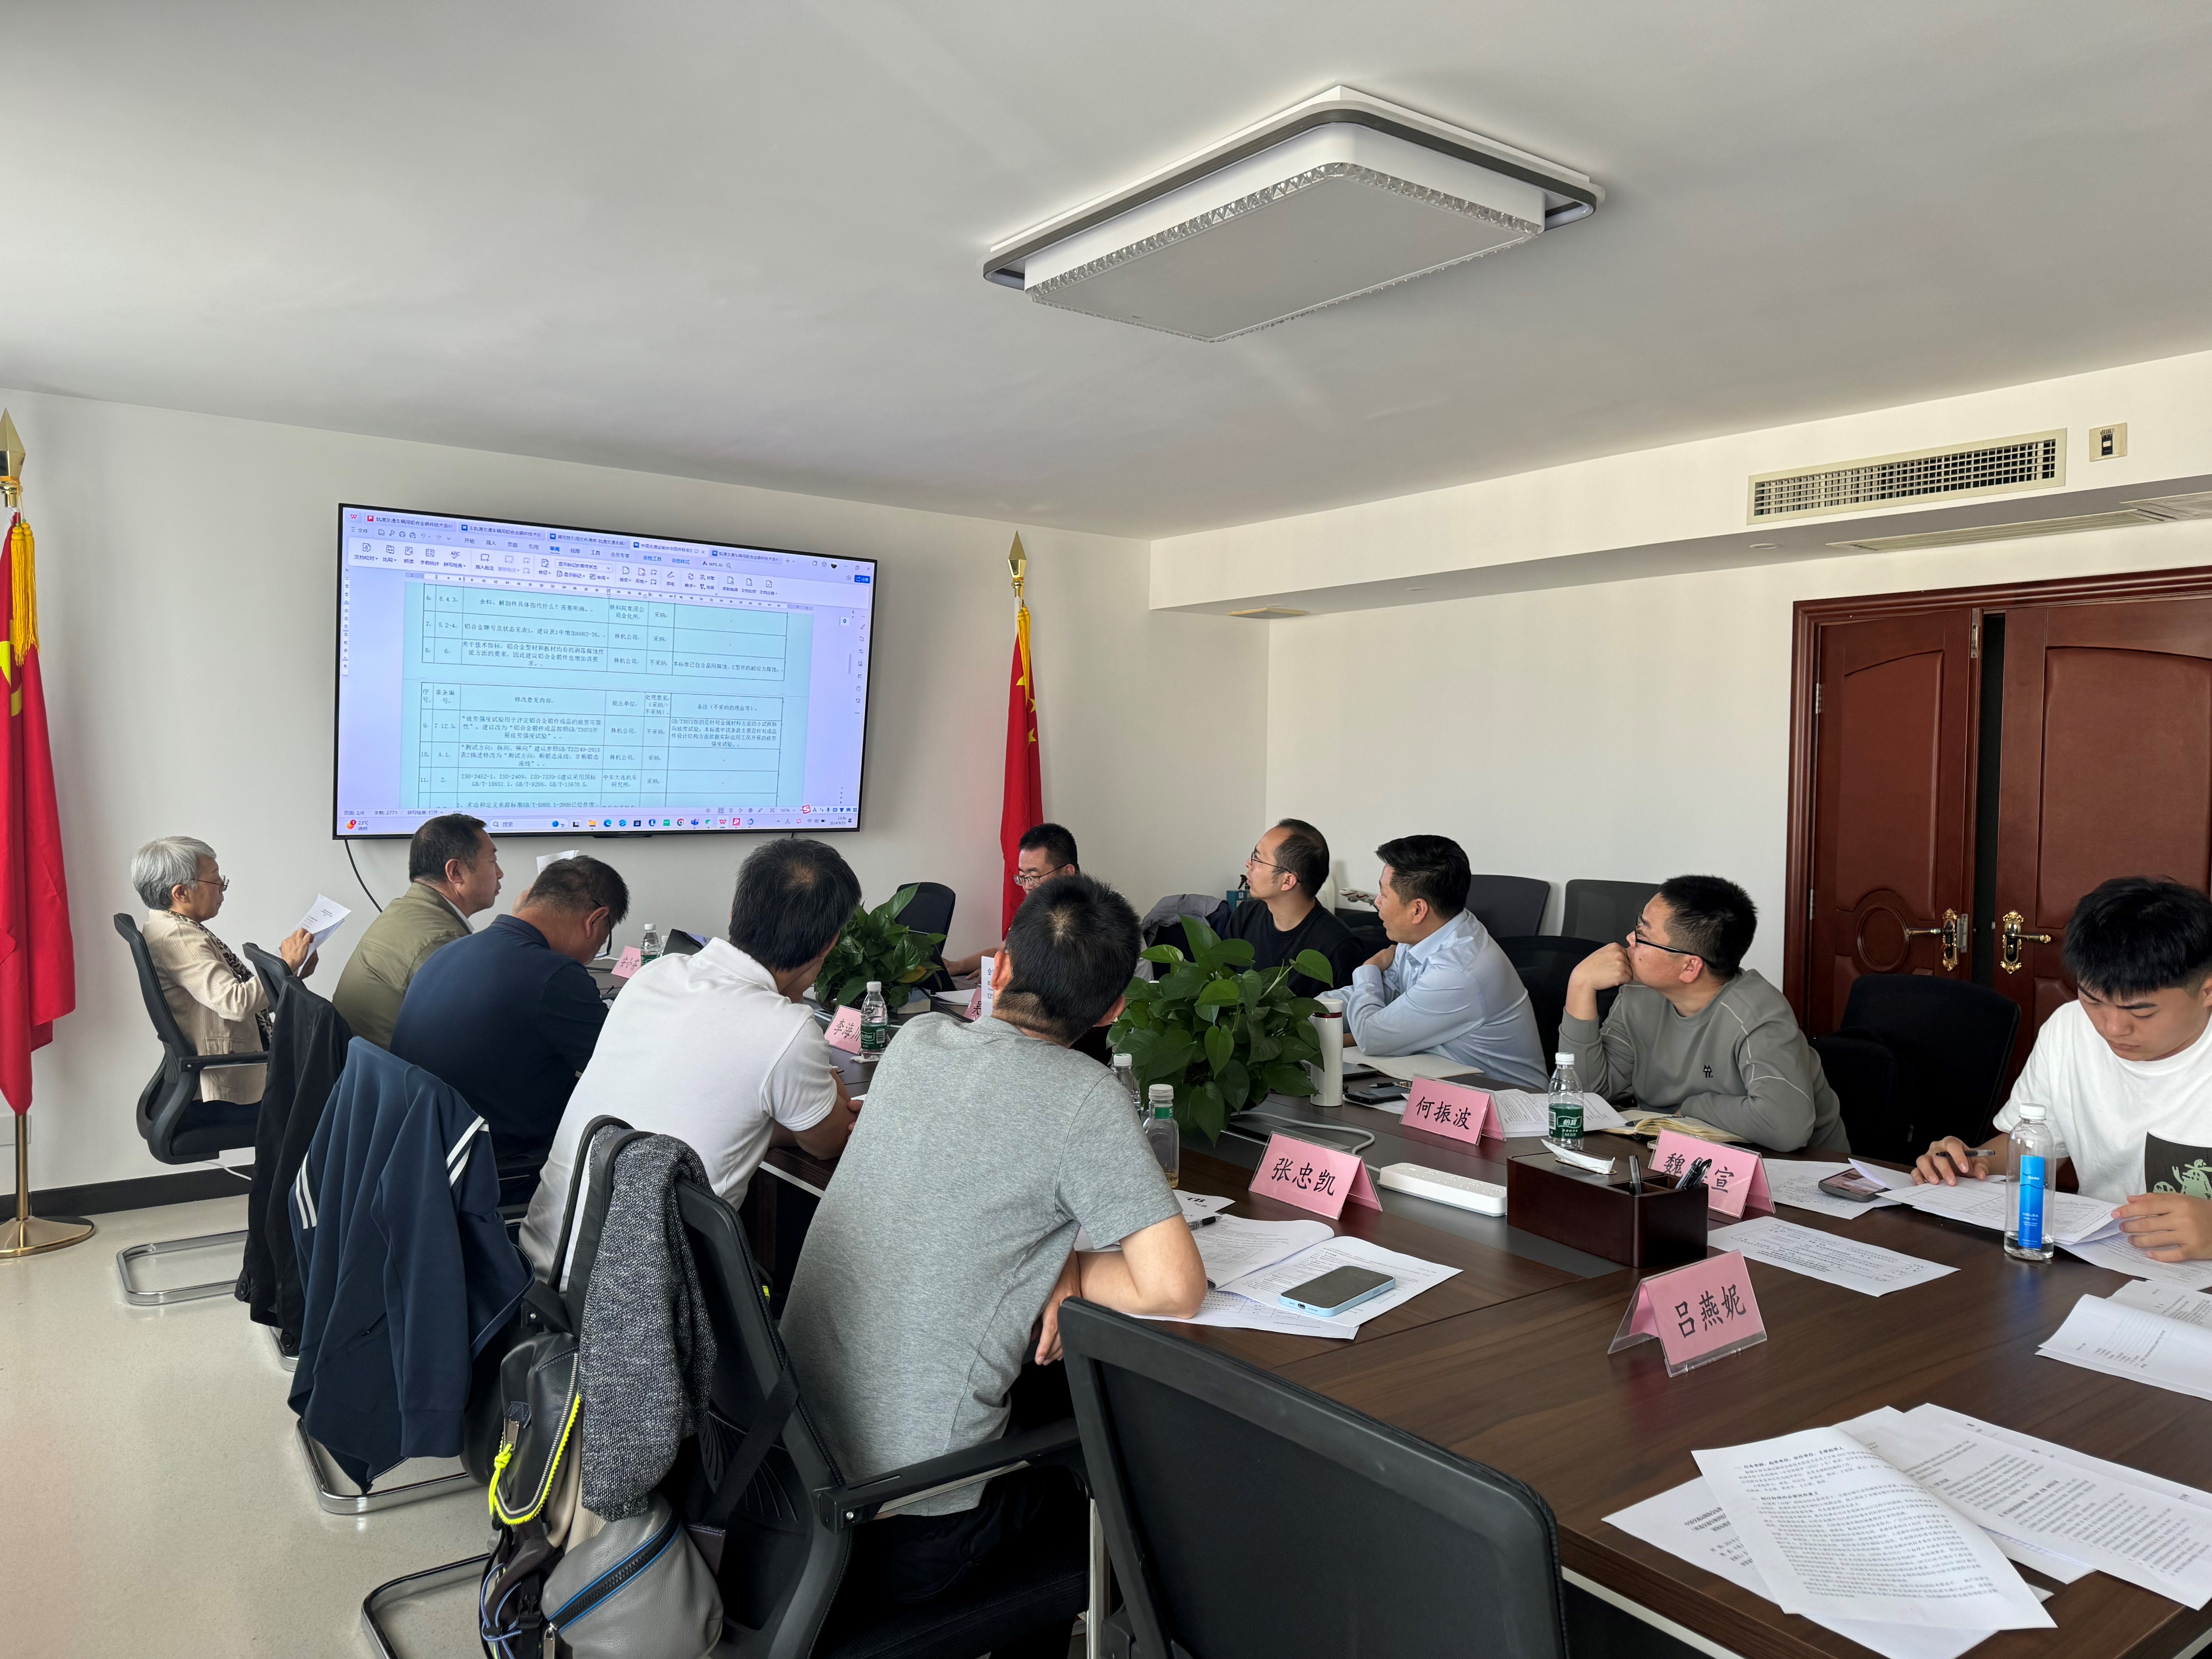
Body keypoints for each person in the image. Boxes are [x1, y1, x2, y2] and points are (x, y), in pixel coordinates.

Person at [780, 874, 1205, 1653]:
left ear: (1000, 965)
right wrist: (1065, 1267)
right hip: (913, 1528)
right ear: (1113, 1011)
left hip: (791, 1490)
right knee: (1124, 1498)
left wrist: (1055, 1261)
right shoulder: (1085, 1097)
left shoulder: (915, 1043)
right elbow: (1175, 1288)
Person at [519, 838, 864, 1279]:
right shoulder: (786, 1029)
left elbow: (700, 1111)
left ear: (736, 911)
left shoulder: (655, 975)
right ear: (829, 943)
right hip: (640, 1307)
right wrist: (819, 1077)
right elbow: (827, 1141)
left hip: (538, 1270)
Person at [1914, 876, 2212, 1261]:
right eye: (2093, 1001)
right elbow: (2039, 1148)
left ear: (2207, 991)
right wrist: (1969, 1161)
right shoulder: (2069, 1028)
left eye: (2141, 1012)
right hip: (2104, 1258)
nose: (2112, 1028)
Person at [1564, 876, 1847, 1153]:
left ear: (1690, 967)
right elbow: (1585, 1095)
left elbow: (1785, 1128)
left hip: (1799, 1169)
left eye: (1643, 934)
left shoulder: (1757, 1014)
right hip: (1682, 1157)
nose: (1630, 939)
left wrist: (1694, 1108)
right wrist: (1580, 985)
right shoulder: (1640, 993)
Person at [389, 855, 626, 1168]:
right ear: (595, 920)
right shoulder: (555, 974)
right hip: (498, 1160)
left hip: (427, 1149)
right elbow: (619, 1068)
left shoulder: (451, 950)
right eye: (604, 939)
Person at [1334, 835, 1546, 1088]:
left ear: (1418, 910)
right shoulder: (1429, 933)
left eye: (1384, 894)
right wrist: (1306, 1012)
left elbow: (1371, 1038)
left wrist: (1368, 970)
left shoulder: (1457, 971)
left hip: (1506, 1100)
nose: (1377, 902)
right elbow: (1383, 992)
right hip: (1444, 1083)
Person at [132, 835, 315, 1104]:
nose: (223, 889)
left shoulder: (168, 926)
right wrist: (286, 964)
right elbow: (236, 1004)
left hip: (228, 1063)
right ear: (181, 893)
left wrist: (292, 971)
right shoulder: (178, 937)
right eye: (215, 881)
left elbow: (238, 1000)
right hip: (230, 1080)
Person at [331, 814, 504, 1049]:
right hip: (394, 1070)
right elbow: (474, 1034)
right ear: (455, 872)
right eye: (493, 861)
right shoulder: (442, 941)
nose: (500, 873)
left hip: (360, 1065)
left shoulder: (402, 910)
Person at [1224, 819, 1365, 997]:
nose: (1248, 863)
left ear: (1288, 881)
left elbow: (1349, 1010)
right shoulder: (1245, 916)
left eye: (1258, 859)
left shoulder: (1338, 945)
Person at [941, 821, 1080, 980]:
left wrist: (1010, 974)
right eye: (1023, 877)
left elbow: (1064, 973)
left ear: (1067, 873)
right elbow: (1003, 949)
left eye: (1035, 877)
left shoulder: (1086, 917)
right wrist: (956, 967)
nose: (1028, 887)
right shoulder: (1037, 905)